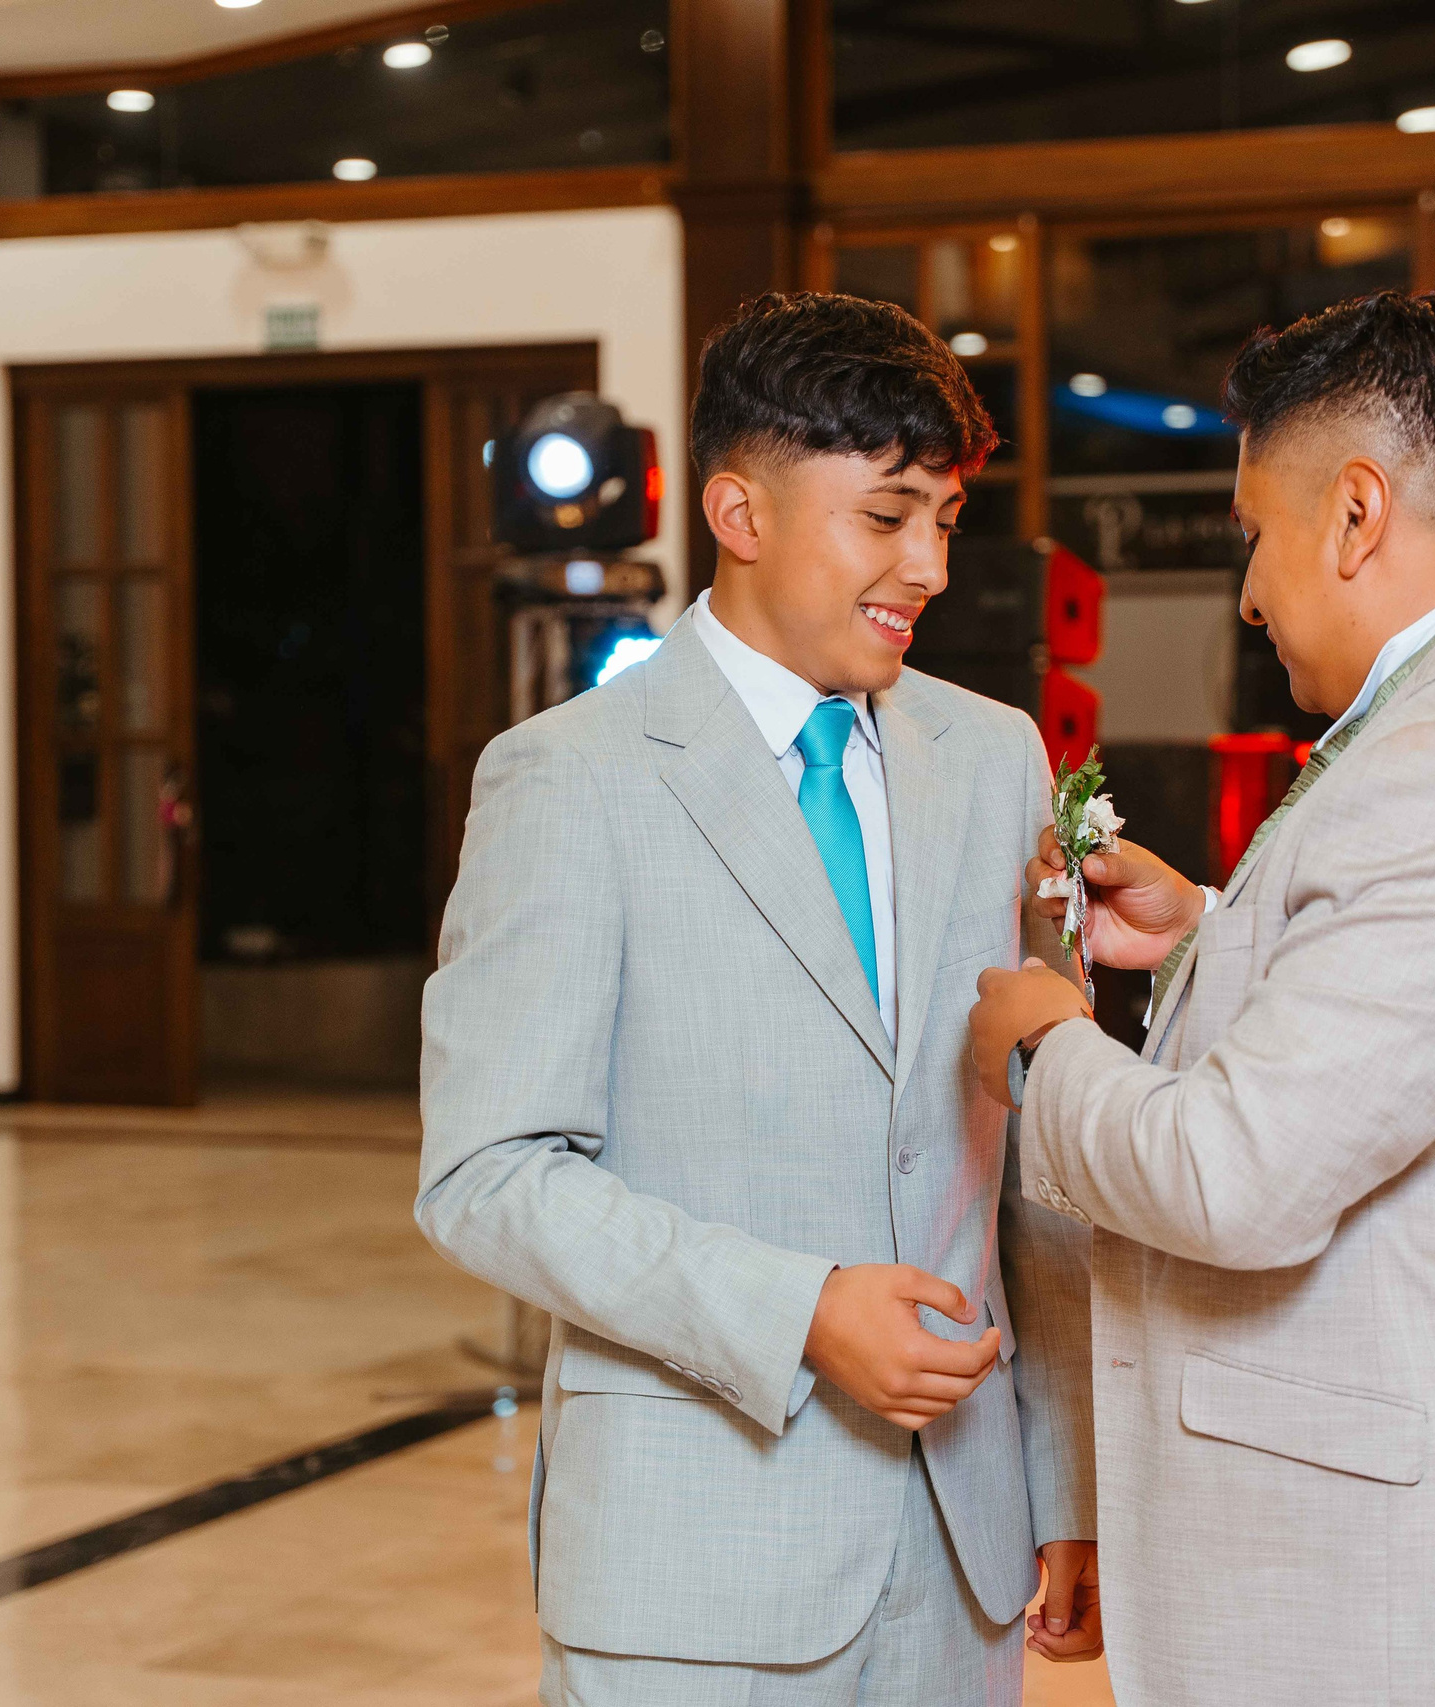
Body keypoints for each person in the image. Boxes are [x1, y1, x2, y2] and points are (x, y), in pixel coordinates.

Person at [967, 290, 1435, 1706]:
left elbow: (1236, 1180)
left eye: (1257, 532)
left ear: (1359, 512)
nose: (1250, 592)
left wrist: (1040, 1042)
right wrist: (1209, 934)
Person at [418, 291, 1097, 1707]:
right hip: (691, 1557)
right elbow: (488, 1174)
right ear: (740, 513)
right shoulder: (570, 774)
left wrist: (1064, 1476)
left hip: (962, 1557)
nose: (927, 565)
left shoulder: (998, 758)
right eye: (888, 516)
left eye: (948, 522)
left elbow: (1033, 1164)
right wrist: (796, 1313)